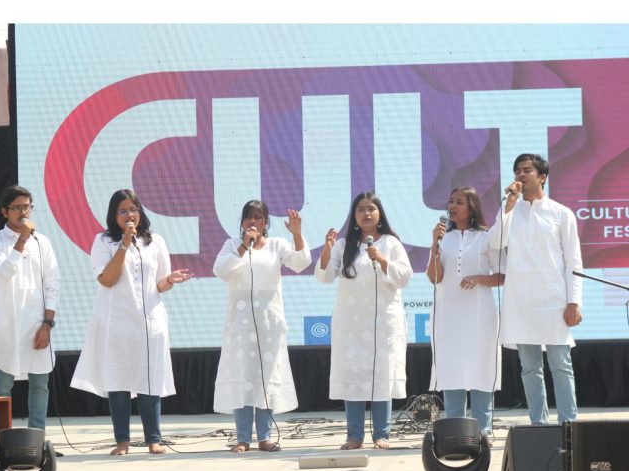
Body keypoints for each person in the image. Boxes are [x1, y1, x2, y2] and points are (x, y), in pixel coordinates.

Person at [71, 189, 192, 455]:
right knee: (119, 380)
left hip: (150, 321)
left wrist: (171, 280)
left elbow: (160, 283)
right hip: (117, 321)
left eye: (133, 209)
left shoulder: (155, 241)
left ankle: (154, 439)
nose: (130, 215)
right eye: (123, 211)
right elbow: (107, 279)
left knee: (150, 378)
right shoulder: (103, 241)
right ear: (114, 215)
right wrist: (124, 244)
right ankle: (122, 442)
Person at [489, 153, 583, 425]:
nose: (520, 174)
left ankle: (569, 425)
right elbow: (494, 243)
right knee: (530, 368)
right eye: (517, 170)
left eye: (527, 170)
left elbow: (573, 262)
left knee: (561, 365)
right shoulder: (509, 210)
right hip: (520, 301)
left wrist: (573, 302)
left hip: (554, 300)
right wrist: (508, 206)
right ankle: (538, 425)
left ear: (542, 177)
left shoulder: (561, 213)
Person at [315, 191, 413, 450]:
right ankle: (354, 436)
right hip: (351, 324)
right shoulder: (343, 245)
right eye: (361, 209)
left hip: (383, 324)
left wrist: (381, 259)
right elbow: (325, 277)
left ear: (380, 214)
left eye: (371, 208)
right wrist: (326, 250)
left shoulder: (391, 243)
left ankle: (382, 434)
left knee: (382, 376)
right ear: (354, 216)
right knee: (353, 377)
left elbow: (405, 277)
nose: (366, 213)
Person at [213, 201, 311, 453]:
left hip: (269, 324)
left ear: (266, 222)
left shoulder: (277, 245)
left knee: (266, 380)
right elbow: (221, 270)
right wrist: (244, 246)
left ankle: (265, 437)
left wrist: (297, 235)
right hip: (240, 326)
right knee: (243, 377)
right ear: (242, 222)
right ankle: (243, 438)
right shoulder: (231, 246)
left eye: (258, 217)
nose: (253, 222)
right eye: (249, 217)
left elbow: (300, 263)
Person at [426, 187, 505, 435]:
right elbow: (434, 277)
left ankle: (483, 430)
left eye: (459, 202)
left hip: (479, 315)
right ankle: (455, 430)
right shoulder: (444, 239)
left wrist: (479, 278)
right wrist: (434, 245)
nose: (452, 206)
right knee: (451, 367)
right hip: (449, 314)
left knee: (482, 366)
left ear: (472, 207)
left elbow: (502, 276)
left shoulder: (487, 237)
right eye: (450, 201)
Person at [0, 185, 60, 431]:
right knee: (3, 386)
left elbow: (52, 284)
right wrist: (22, 239)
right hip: (9, 325)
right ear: (5, 212)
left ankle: (36, 438)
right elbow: (5, 273)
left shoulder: (42, 242)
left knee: (39, 386)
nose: (23, 213)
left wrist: (47, 324)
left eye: (27, 207)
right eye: (17, 208)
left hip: (37, 323)